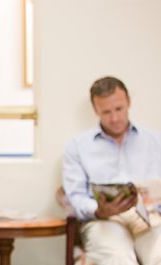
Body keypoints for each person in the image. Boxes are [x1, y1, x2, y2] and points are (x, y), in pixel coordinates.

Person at [62, 76, 161, 265]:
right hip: (104, 221)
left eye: (119, 109)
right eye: (106, 112)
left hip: (150, 220)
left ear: (128, 102)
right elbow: (76, 197)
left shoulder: (156, 141)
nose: (114, 118)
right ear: (95, 110)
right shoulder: (77, 147)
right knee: (118, 259)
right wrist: (98, 210)